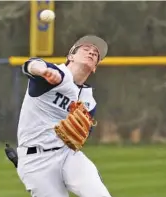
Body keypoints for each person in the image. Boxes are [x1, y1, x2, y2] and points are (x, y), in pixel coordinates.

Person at [16, 35, 112, 197]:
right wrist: (43, 71)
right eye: (85, 49)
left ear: (95, 67)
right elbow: (30, 65)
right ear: (70, 56)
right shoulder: (56, 73)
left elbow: (79, 139)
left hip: (67, 155)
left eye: (96, 54)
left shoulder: (89, 101)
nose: (91, 53)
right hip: (36, 161)